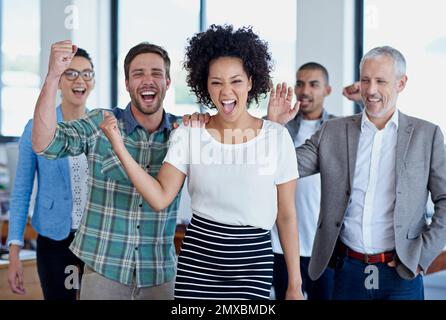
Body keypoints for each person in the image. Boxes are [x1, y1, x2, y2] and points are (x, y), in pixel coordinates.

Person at [100, 24, 304, 300]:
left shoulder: (277, 138)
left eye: (236, 81)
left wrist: (294, 285)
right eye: (216, 82)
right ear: (205, 85)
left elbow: (287, 215)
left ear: (251, 82)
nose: (226, 91)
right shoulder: (189, 134)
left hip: (252, 264)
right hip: (198, 263)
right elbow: (160, 198)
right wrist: (118, 145)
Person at [268, 46, 446, 300]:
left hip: (402, 273)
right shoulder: (333, 131)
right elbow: (285, 167)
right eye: (365, 80)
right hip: (347, 270)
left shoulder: (427, 135)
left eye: (381, 81)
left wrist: (422, 255)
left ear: (401, 83)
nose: (371, 89)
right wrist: (275, 128)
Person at [31, 40, 188, 300]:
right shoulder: (99, 123)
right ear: (126, 83)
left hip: (160, 274)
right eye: (138, 74)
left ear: (168, 82)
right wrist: (52, 77)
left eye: (156, 73)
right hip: (104, 272)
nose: (148, 80)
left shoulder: (182, 133)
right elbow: (43, 142)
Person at [7, 48, 94, 300]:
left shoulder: (102, 126)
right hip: (54, 241)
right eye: (71, 73)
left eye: (87, 73)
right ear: (58, 81)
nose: (80, 80)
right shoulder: (36, 127)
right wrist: (14, 251)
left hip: (96, 239)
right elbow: (22, 191)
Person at [270, 62, 335, 300]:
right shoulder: (278, 127)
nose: (305, 90)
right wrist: (273, 122)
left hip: (323, 248)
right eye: (300, 83)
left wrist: (362, 99)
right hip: (281, 245)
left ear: (327, 90)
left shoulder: (338, 128)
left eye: (313, 84)